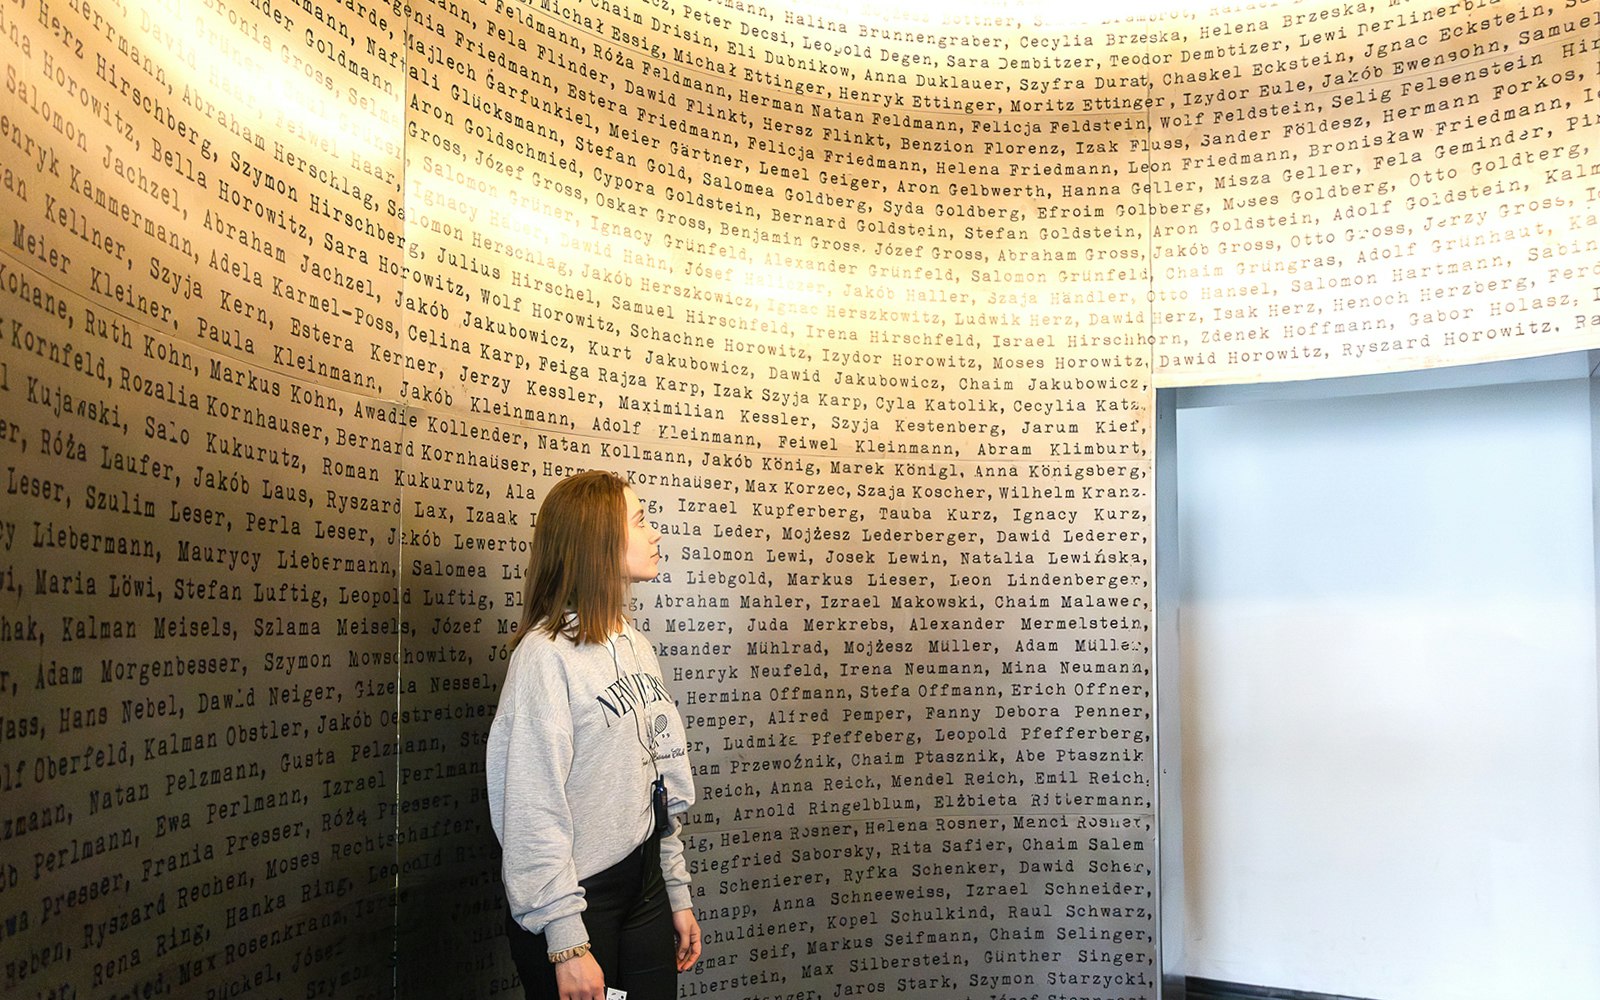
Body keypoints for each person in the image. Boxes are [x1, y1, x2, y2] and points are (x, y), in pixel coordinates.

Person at [486, 470, 702, 1000]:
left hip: (645, 885)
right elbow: (530, 809)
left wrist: (674, 888)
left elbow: (654, 783)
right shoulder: (544, 657)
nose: (655, 534)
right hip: (579, 904)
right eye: (641, 521)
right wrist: (566, 942)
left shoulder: (635, 645)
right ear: (598, 539)